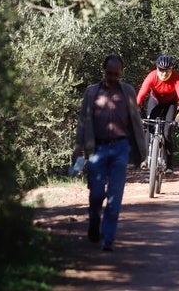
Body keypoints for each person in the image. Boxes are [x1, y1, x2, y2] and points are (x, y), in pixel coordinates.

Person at [72, 54, 148, 251]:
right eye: (109, 73)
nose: (112, 77)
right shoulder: (91, 93)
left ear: (121, 73)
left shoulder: (127, 91)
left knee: (115, 196)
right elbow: (82, 123)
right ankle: (94, 221)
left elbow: (137, 123)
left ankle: (108, 239)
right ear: (103, 71)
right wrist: (77, 150)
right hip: (97, 148)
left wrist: (143, 153)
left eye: (116, 74)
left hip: (121, 148)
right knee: (96, 193)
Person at [136, 54, 179, 174]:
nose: (164, 73)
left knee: (167, 132)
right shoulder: (152, 76)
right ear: (157, 68)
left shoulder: (176, 78)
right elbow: (141, 95)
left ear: (171, 69)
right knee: (149, 128)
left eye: (167, 70)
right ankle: (145, 159)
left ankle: (170, 165)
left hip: (170, 103)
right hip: (155, 101)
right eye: (161, 70)